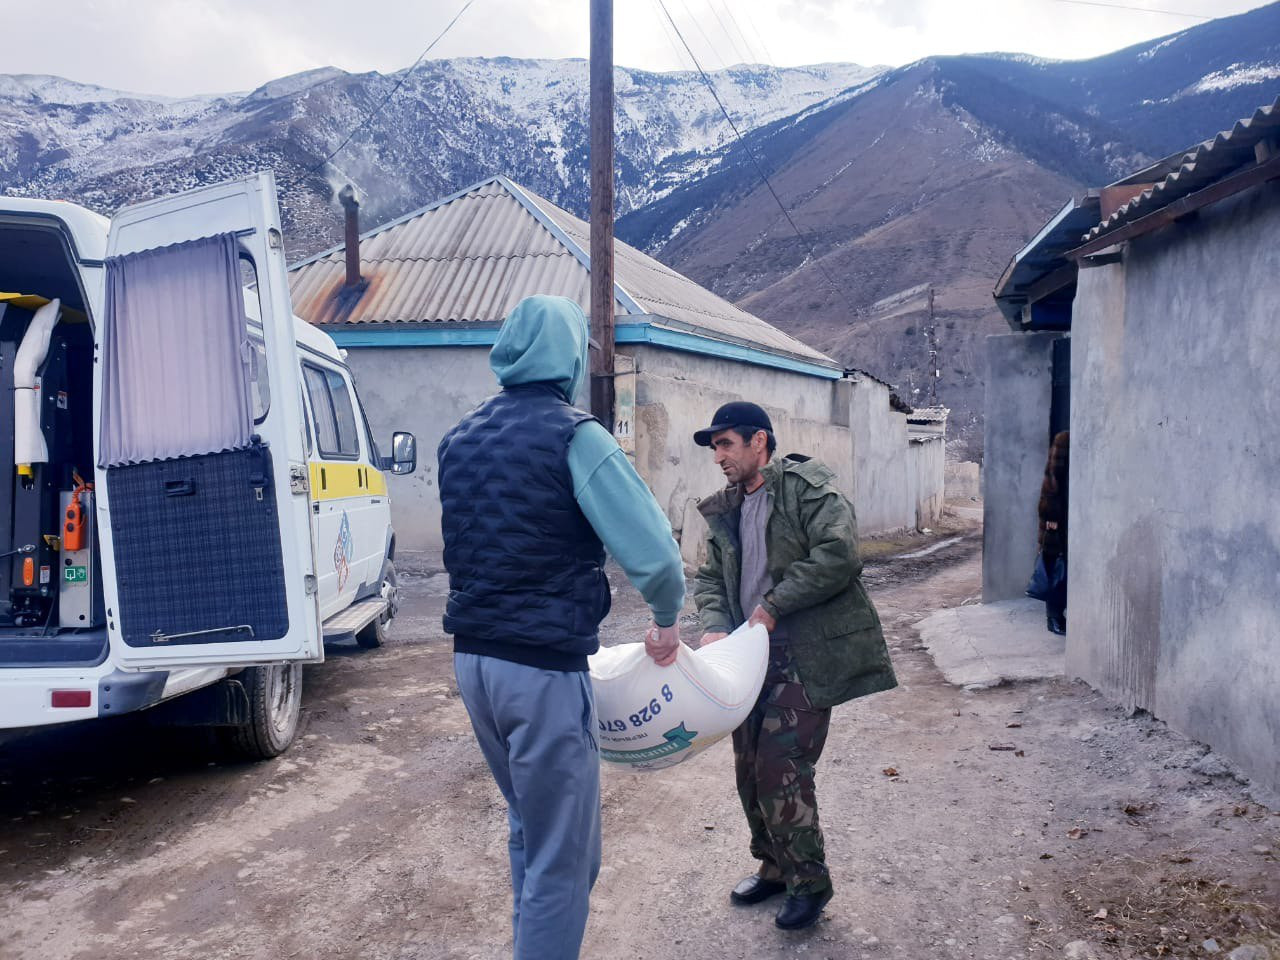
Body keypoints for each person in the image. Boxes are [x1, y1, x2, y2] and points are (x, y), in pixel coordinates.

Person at [437, 295, 686, 960]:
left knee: (531, 828)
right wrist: (664, 621)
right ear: (571, 354)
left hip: (474, 664)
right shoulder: (576, 436)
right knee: (565, 862)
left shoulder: (458, 439)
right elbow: (657, 556)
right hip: (541, 672)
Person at [691, 401, 897, 931]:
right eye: (714, 447)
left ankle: (810, 882)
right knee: (747, 768)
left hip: (804, 654)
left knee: (779, 768)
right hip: (746, 657)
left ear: (759, 441)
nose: (718, 456)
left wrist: (773, 606)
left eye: (725, 444)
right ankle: (775, 867)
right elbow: (711, 577)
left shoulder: (807, 487)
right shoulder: (726, 508)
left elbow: (838, 554)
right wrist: (715, 623)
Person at [1037, 430, 1070, 635]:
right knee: (1057, 565)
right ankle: (1054, 617)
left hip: (1078, 512)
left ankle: (1060, 614)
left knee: (1067, 567)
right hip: (1060, 514)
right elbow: (1052, 479)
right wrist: (1051, 516)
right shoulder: (1064, 440)